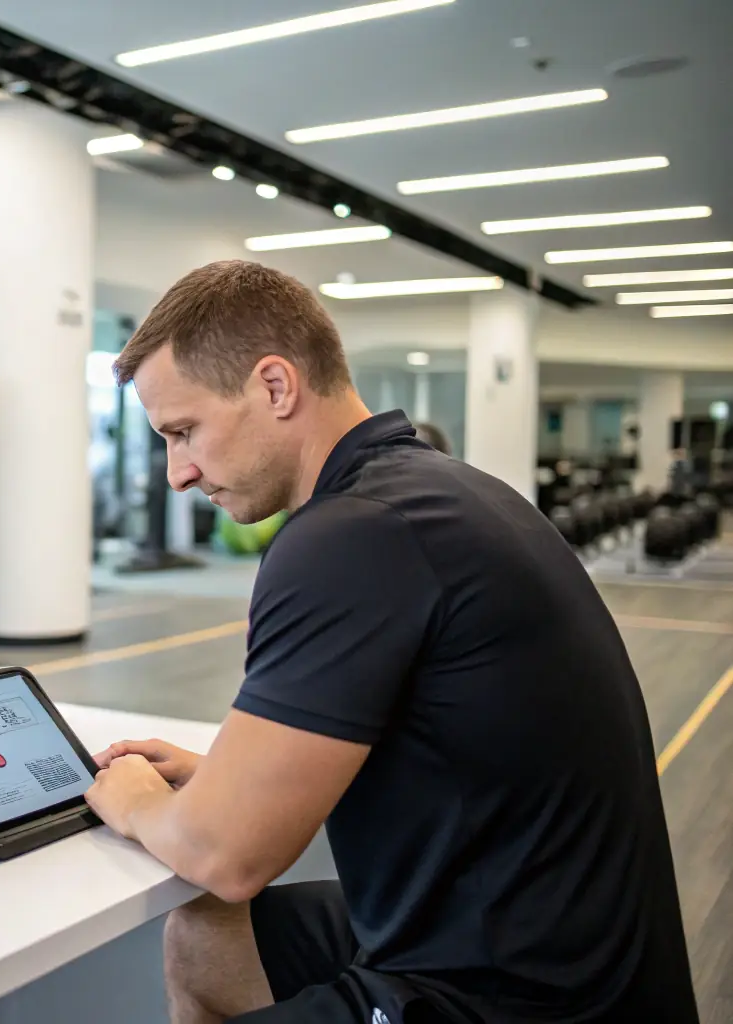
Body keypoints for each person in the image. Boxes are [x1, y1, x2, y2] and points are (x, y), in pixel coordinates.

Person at [83, 260, 697, 1024]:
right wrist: (224, 778)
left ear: (275, 387)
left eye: (184, 432)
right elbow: (440, 753)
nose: (178, 473)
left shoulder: (349, 537)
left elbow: (225, 856)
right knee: (208, 936)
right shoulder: (445, 491)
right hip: (553, 939)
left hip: (515, 996)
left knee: (213, 888)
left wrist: (138, 801)